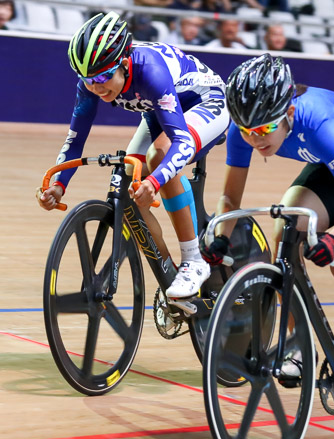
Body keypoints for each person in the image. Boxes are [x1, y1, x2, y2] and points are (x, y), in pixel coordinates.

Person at [203, 55, 334, 393]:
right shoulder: (243, 129)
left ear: (287, 113)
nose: (255, 140)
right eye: (247, 131)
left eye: (263, 130)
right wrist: (219, 240)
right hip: (333, 163)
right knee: (286, 228)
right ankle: (299, 344)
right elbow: (230, 200)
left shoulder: (317, 123)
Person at [38, 12, 230, 299]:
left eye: (103, 77)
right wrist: (59, 184)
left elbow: (180, 141)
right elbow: (75, 139)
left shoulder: (150, 71)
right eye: (87, 79)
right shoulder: (92, 82)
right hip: (158, 107)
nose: (96, 86)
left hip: (206, 101)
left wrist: (154, 182)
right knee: (127, 183)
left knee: (159, 156)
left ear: (124, 64)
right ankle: (170, 272)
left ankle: (193, 260)